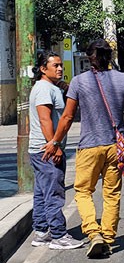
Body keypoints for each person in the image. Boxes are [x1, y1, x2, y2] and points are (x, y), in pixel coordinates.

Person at [43, 39, 124, 258]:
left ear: (89, 58)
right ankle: (108, 236)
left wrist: (55, 142)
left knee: (83, 191)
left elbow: (67, 116)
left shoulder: (78, 82)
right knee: (112, 194)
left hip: (89, 147)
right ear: (109, 56)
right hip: (116, 146)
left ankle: (94, 234)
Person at [29, 51, 85, 250]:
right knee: (54, 193)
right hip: (47, 149)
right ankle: (59, 236)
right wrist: (55, 145)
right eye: (55, 66)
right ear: (43, 69)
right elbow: (45, 120)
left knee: (42, 192)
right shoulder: (44, 89)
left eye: (61, 65)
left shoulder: (47, 87)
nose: (60, 68)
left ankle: (42, 232)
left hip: (39, 149)